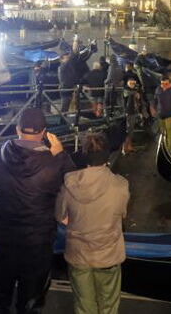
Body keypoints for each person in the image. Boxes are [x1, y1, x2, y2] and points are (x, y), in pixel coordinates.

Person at [0, 107, 75, 313]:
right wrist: (61, 155)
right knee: (31, 304)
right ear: (44, 133)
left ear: (17, 130)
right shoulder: (54, 164)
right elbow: (78, 187)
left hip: (2, 241)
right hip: (38, 244)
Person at [55, 133, 129, 314]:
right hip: (108, 254)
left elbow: (60, 216)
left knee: (84, 305)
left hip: (79, 254)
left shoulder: (69, 184)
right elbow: (122, 214)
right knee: (109, 305)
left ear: (84, 154)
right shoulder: (120, 185)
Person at [152, 76, 171, 151]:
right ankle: (163, 146)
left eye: (166, 83)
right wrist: (153, 108)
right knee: (162, 131)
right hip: (160, 113)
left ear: (169, 82)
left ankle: (169, 149)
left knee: (169, 130)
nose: (164, 85)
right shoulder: (158, 89)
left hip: (169, 114)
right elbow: (155, 99)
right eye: (162, 84)